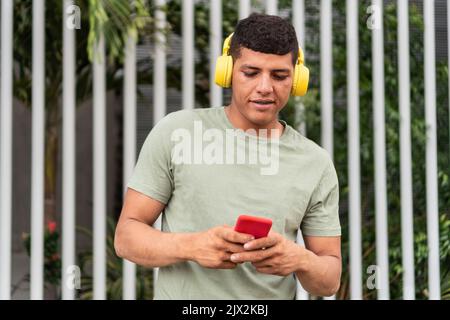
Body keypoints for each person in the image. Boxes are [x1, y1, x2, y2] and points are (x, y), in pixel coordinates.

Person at [114, 13, 341, 299]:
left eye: (279, 75)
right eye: (251, 72)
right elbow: (126, 238)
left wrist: (300, 259)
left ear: (297, 79)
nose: (264, 87)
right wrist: (192, 246)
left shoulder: (315, 163)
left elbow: (329, 280)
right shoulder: (177, 133)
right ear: (228, 71)